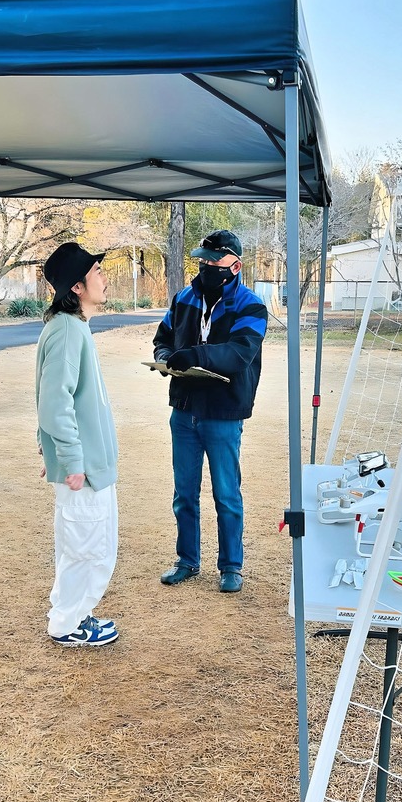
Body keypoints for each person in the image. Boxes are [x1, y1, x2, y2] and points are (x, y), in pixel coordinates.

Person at [152, 229, 267, 593]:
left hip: (223, 412)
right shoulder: (184, 298)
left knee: (226, 494)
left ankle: (231, 566)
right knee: (184, 492)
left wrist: (196, 355)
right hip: (184, 411)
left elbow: (239, 353)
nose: (205, 266)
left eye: (213, 261)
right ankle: (187, 560)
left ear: (235, 265)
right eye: (202, 260)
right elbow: (162, 338)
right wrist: (163, 357)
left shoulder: (251, 306)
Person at [36, 242, 120, 646]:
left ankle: (73, 616)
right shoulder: (67, 330)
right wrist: (68, 459)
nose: (103, 276)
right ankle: (68, 624)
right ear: (77, 287)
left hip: (88, 465)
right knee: (89, 549)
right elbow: (54, 404)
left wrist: (50, 450)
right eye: (96, 272)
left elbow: (52, 397)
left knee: (88, 546)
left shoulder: (73, 327)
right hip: (82, 470)